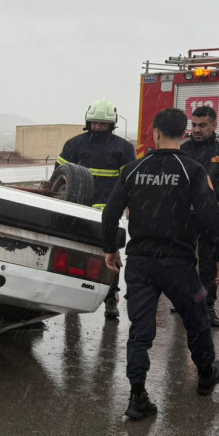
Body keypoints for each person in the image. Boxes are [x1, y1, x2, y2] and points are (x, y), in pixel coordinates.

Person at [101, 108, 219, 421]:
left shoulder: (132, 169)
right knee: (196, 319)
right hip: (178, 263)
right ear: (184, 134)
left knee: (140, 330)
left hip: (140, 262)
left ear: (155, 133)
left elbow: (110, 213)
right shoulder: (193, 170)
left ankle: (137, 396)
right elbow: (210, 218)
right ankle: (205, 374)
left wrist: (110, 248)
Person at [58, 99, 137, 320]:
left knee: (111, 255)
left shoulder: (123, 148)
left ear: (111, 125)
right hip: (77, 209)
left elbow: (130, 181)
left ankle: (111, 299)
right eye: (94, 123)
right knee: (73, 253)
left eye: (102, 124)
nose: (97, 128)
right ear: (88, 122)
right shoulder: (73, 144)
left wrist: (131, 206)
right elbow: (59, 176)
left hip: (109, 212)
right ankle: (72, 299)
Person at [180, 105, 219, 329]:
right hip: (183, 214)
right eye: (194, 125)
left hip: (213, 214)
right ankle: (185, 299)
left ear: (214, 125)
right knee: (183, 259)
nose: (196, 130)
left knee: (209, 263)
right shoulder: (182, 147)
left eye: (202, 126)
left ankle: (207, 305)